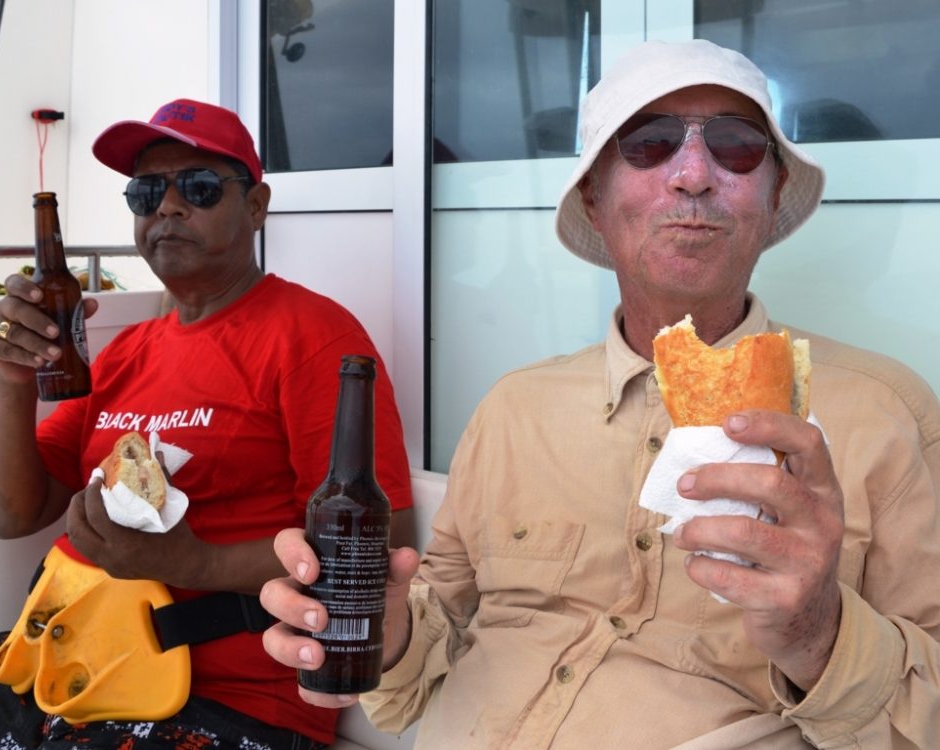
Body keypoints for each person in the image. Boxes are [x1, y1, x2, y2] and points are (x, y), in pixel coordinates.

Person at [260, 40, 940, 748]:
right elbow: (430, 652)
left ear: (771, 198)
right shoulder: (513, 411)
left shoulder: (884, 414)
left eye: (738, 146)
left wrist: (820, 635)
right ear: (593, 196)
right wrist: (391, 628)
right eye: (650, 144)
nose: (695, 175)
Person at [0, 98, 414, 748]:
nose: (168, 207)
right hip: (63, 668)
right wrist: (13, 385)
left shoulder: (313, 337)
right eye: (147, 191)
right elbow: (13, 514)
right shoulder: (126, 351)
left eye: (201, 187)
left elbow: (373, 551)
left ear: (257, 206)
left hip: (221, 705)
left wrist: (194, 563)